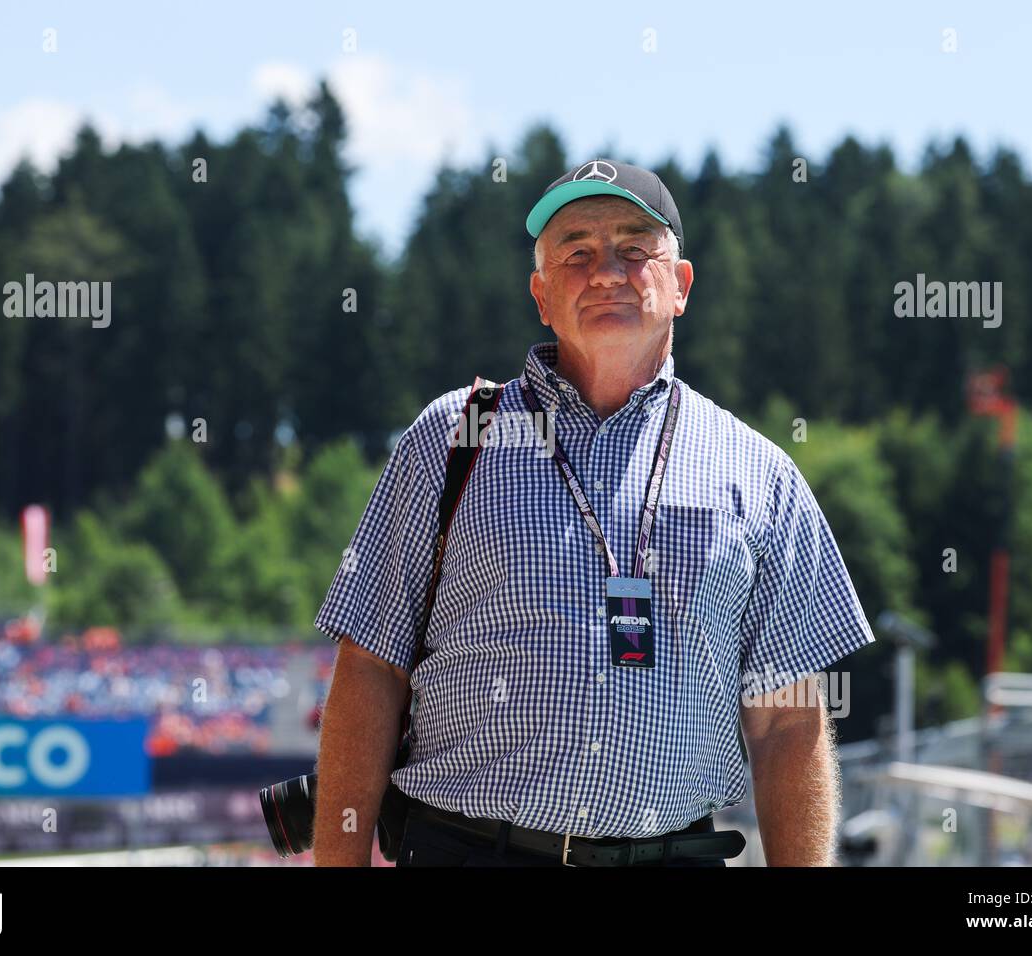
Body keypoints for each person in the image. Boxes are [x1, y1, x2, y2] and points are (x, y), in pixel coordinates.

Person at [311, 158, 875, 866]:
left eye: (635, 249)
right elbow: (371, 670)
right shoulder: (458, 435)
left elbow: (788, 725)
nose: (607, 271)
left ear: (682, 287)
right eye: (576, 252)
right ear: (541, 295)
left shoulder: (760, 475)